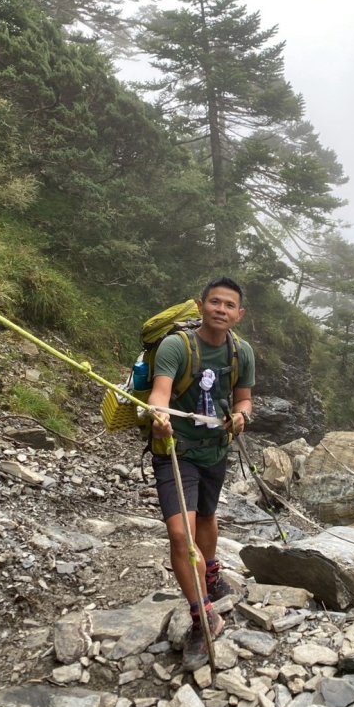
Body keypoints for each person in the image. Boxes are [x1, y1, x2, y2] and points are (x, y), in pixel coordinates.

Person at [147, 277, 255, 671]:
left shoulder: (242, 352)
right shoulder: (177, 346)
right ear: (200, 305)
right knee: (181, 533)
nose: (221, 310)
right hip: (175, 450)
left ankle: (210, 573)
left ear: (238, 314)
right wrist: (159, 414)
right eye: (215, 302)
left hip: (215, 451)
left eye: (229, 305)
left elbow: (244, 397)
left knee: (207, 516)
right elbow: (161, 391)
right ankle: (202, 614)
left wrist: (242, 416)